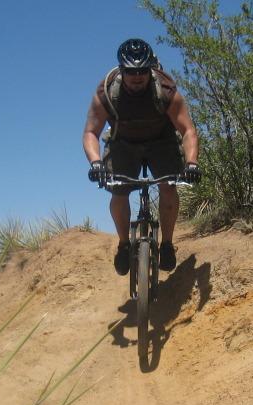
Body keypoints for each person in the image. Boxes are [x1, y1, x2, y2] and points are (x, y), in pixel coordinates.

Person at [82, 38, 201, 275]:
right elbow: (90, 133)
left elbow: (187, 130)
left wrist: (191, 163)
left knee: (168, 187)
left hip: (161, 142)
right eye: (131, 71)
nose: (137, 76)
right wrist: (96, 163)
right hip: (123, 144)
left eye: (142, 71)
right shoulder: (106, 92)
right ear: (122, 70)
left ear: (151, 69)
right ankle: (124, 245)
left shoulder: (166, 91)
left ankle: (167, 244)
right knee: (119, 190)